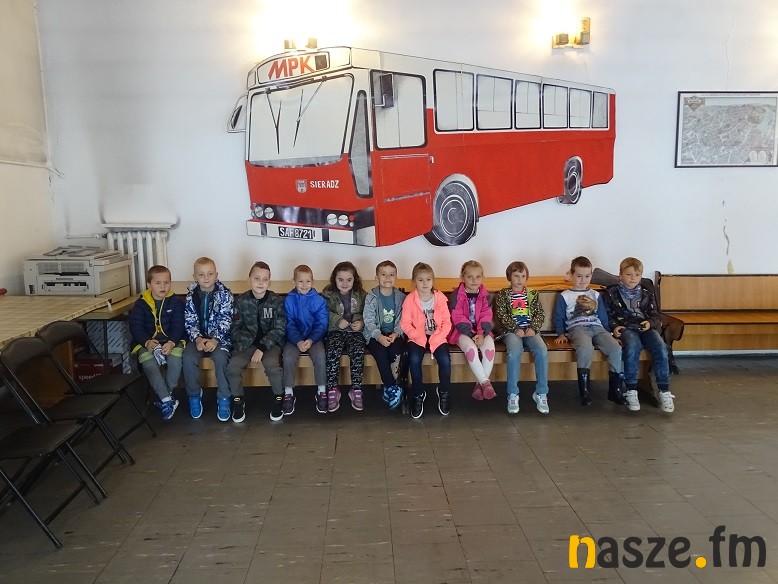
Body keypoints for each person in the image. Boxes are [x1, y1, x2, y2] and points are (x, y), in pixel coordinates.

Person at [552, 256, 628, 407]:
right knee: (585, 348)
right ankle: (585, 392)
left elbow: (603, 317)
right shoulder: (565, 296)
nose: (583, 280)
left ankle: (615, 390)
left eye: (587, 276)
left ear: (591, 276)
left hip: (597, 328)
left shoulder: (595, 295)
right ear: (571, 275)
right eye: (579, 276)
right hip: (577, 328)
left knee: (615, 349)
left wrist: (609, 334)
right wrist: (561, 333)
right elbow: (558, 317)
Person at [603, 257, 675, 413]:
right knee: (632, 346)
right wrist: (614, 327)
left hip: (645, 328)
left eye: (637, 275)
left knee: (661, 347)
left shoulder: (646, 293)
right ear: (620, 275)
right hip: (626, 328)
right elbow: (607, 315)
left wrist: (650, 322)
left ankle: (664, 390)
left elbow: (655, 315)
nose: (633, 278)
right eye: (628, 274)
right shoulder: (611, 293)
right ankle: (631, 389)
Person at [227, 261, 286, 421]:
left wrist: (262, 347)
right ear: (249, 280)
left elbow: (279, 329)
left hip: (270, 345)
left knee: (272, 366)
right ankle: (238, 401)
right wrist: (247, 343)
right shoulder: (241, 301)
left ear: (269, 282)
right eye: (256, 278)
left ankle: (279, 399)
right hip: (247, 345)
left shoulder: (276, 301)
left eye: (265, 279)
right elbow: (234, 328)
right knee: (232, 367)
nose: (260, 283)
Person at [128, 265, 185, 421]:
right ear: (149, 285)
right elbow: (136, 326)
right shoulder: (141, 304)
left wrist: (172, 342)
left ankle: (165, 398)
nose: (163, 286)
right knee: (149, 365)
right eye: (158, 283)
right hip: (147, 343)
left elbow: (179, 325)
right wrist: (146, 342)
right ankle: (167, 400)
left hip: (172, 342)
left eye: (166, 282)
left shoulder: (176, 302)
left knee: (175, 363)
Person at [494, 261, 550, 414]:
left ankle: (541, 393)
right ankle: (513, 394)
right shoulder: (503, 294)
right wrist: (515, 328)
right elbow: (502, 314)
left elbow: (539, 314)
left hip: (530, 331)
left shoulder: (532, 294)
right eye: (516, 276)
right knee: (514, 352)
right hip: (511, 331)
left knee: (542, 350)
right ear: (509, 277)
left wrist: (533, 328)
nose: (519, 279)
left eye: (523, 276)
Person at [182, 257, 234, 421]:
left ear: (216, 275)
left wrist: (215, 339)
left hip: (220, 339)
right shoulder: (191, 296)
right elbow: (189, 320)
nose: (206, 278)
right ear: (195, 277)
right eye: (201, 274)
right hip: (197, 339)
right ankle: (194, 395)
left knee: (220, 358)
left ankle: (224, 397)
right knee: (188, 357)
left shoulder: (225, 295)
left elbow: (226, 320)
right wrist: (197, 339)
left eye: (210, 274)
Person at [400, 262, 452, 419]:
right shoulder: (410, 300)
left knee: (445, 360)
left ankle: (443, 391)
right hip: (417, 338)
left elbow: (447, 322)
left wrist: (439, 336)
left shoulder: (440, 298)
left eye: (428, 279)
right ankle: (418, 393)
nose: (425, 283)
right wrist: (416, 335)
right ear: (414, 282)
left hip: (438, 337)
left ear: (433, 280)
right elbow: (405, 324)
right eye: (420, 280)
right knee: (414, 360)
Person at [448, 260, 497, 401]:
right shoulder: (456, 295)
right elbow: (457, 316)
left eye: (478, 277)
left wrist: (481, 333)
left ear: (482, 277)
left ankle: (480, 385)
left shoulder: (485, 295)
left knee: (489, 350)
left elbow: (486, 315)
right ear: (463, 277)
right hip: (462, 332)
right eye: (470, 277)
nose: (474, 280)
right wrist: (472, 334)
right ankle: (485, 383)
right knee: (471, 350)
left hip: (482, 331)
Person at [283, 264, 328, 416]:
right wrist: (298, 341)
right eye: (300, 281)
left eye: (307, 281)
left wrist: (311, 339)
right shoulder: (289, 300)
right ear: (294, 281)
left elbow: (321, 324)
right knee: (288, 357)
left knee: (320, 356)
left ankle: (321, 390)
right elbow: (289, 323)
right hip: (294, 339)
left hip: (314, 338)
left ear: (312, 281)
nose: (304, 285)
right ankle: (288, 392)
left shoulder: (318, 300)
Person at [322, 261, 367, 413]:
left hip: (355, 332)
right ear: (334, 279)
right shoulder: (328, 295)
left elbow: (368, 312)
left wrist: (361, 322)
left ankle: (356, 389)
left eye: (349, 280)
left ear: (355, 280)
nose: (345, 283)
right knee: (332, 351)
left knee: (358, 351)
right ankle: (333, 389)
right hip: (336, 331)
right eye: (340, 279)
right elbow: (324, 312)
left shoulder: (362, 295)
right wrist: (337, 320)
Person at [363, 260, 406, 410]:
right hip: (375, 335)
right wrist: (378, 336)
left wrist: (396, 333)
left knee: (395, 352)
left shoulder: (401, 297)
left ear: (396, 277)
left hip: (395, 334)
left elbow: (403, 319)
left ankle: (390, 388)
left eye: (391, 275)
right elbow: (368, 320)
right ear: (376, 278)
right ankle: (391, 387)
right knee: (380, 353)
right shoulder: (371, 297)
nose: (388, 278)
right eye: (383, 274)